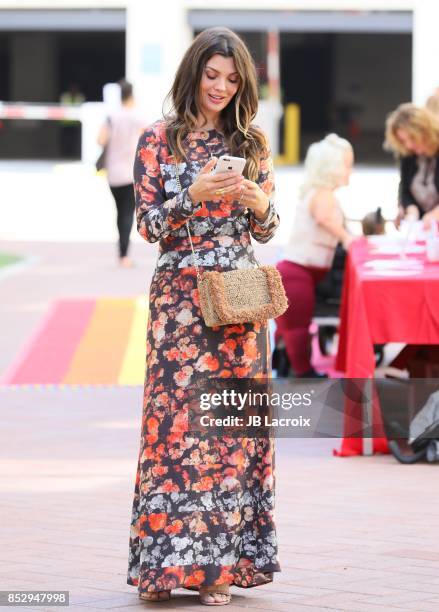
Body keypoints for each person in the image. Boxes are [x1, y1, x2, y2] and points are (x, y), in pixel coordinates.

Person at [127, 28, 281, 606]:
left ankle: (219, 569)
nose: (220, 87)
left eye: (232, 79)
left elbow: (267, 227)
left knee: (231, 435)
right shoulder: (157, 141)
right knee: (173, 431)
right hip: (179, 302)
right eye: (212, 75)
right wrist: (192, 194)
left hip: (240, 300)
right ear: (193, 74)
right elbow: (147, 226)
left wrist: (257, 201)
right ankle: (163, 571)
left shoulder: (253, 142)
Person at [274, 134, 355, 378]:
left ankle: (284, 358)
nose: (350, 170)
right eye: (347, 164)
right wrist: (346, 237)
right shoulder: (322, 194)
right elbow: (324, 218)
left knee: (292, 325)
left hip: (302, 272)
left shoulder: (321, 193)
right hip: (299, 272)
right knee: (297, 327)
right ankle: (304, 371)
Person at [97, 79, 146, 268]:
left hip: (113, 173)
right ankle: (124, 256)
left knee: (120, 213)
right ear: (132, 95)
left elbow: (100, 140)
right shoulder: (139, 117)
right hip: (132, 173)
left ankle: (122, 252)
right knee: (127, 214)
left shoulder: (112, 116)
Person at [384, 103, 439, 228]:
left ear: (425, 131)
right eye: (403, 141)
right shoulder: (407, 154)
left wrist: (435, 214)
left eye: (412, 138)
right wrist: (410, 209)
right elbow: (405, 188)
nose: (408, 145)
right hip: (422, 230)